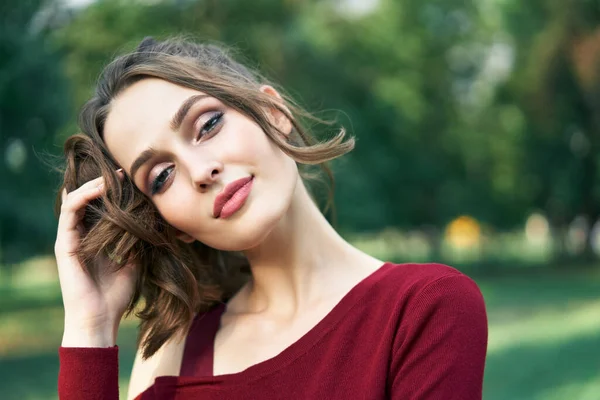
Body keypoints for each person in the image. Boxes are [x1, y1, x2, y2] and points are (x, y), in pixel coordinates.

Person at [54, 37, 488, 400]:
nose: (201, 171)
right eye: (163, 176)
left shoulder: (426, 308)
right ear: (170, 224)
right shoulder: (172, 354)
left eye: (207, 125)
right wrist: (89, 328)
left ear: (273, 114)